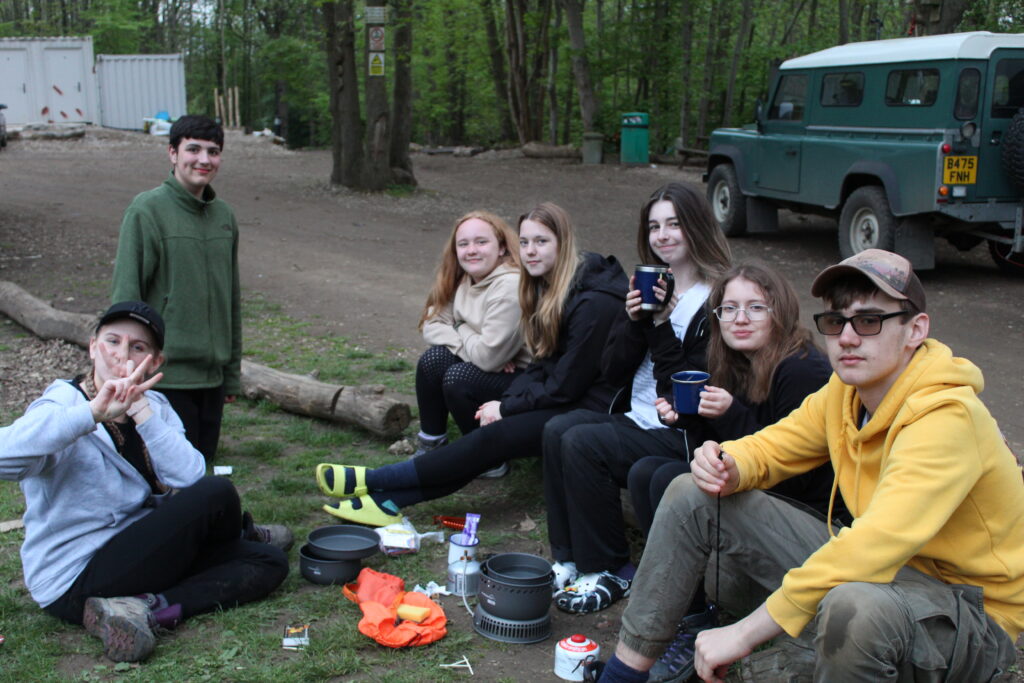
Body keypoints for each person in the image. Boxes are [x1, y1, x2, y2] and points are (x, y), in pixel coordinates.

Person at [594, 249, 1024, 683]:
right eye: (836, 322)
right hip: (887, 577)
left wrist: (744, 632)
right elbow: (779, 442)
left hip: (970, 612)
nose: (849, 337)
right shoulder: (847, 389)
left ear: (916, 330)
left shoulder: (946, 417)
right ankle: (625, 674)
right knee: (691, 491)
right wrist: (730, 462)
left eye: (870, 321)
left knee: (853, 607)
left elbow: (874, 544)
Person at [0, 302, 291, 663]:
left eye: (138, 347)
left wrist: (140, 411)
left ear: (154, 362)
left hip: (139, 553)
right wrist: (92, 414)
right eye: (112, 341)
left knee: (269, 561)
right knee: (217, 492)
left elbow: (187, 474)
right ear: (92, 347)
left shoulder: (156, 405)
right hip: (75, 577)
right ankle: (234, 538)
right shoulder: (61, 406)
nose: (122, 355)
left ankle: (146, 608)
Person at [314, 202, 627, 526]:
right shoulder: (547, 286)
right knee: (487, 438)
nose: (530, 252)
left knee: (490, 439)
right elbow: (543, 364)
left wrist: (507, 408)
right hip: (567, 396)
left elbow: (567, 384)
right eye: (525, 242)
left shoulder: (593, 302)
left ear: (564, 243)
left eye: (542, 241)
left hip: (595, 410)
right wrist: (506, 402)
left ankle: (376, 480)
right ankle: (386, 502)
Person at [625, 262, 844, 682]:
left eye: (755, 308)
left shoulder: (801, 370)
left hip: (808, 513)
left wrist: (731, 415)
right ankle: (689, 616)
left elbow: (796, 471)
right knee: (647, 472)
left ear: (779, 311)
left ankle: (686, 623)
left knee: (670, 480)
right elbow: (720, 444)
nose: (740, 319)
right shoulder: (736, 362)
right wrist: (687, 417)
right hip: (760, 489)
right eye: (729, 309)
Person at [541, 182, 731, 615]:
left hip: (678, 430)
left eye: (674, 225)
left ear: (697, 227)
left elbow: (683, 390)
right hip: (635, 416)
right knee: (557, 430)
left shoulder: (716, 300)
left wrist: (661, 324)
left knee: (583, 443)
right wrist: (633, 321)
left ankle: (611, 568)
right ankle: (568, 557)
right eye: (654, 227)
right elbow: (612, 371)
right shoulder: (651, 284)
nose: (662, 235)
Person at [111, 115, 241, 463]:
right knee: (165, 475)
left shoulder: (224, 217)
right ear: (172, 153)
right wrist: (126, 373)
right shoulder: (147, 210)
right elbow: (126, 298)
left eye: (213, 152)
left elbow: (231, 302)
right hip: (165, 377)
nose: (203, 160)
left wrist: (230, 376)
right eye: (193, 149)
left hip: (211, 379)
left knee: (201, 468)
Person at [412, 210, 531, 465]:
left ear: (501, 248)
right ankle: (432, 443)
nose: (471, 250)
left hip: (525, 378)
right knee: (434, 359)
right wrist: (468, 339)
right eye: (463, 244)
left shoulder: (510, 285)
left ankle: (487, 459)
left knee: (459, 377)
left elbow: (487, 359)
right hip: (495, 365)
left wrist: (459, 326)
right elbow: (430, 324)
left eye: (481, 242)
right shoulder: (463, 278)